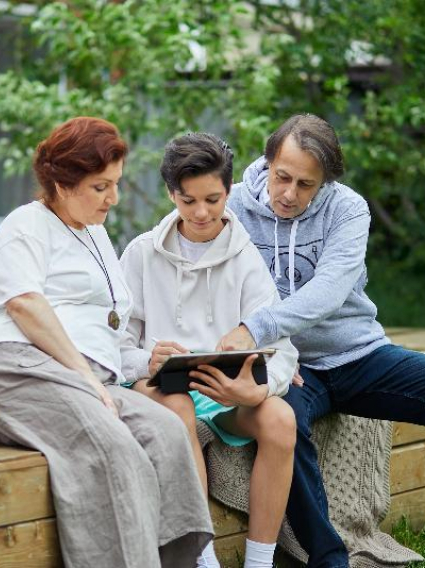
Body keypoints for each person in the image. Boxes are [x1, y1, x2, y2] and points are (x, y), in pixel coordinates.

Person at [218, 114, 425, 568]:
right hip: (287, 367)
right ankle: (329, 560)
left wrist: (256, 328)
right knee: (283, 418)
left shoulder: (348, 209)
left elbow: (328, 292)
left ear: (325, 182)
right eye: (282, 177)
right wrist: (264, 351)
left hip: (357, 355)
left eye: (306, 185)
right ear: (267, 162)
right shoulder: (230, 206)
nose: (289, 194)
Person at [0, 117, 214, 568]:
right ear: (63, 184)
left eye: (116, 184)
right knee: (112, 446)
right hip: (18, 367)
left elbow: (105, 334)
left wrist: (148, 361)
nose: (114, 198)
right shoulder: (26, 225)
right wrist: (85, 378)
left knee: (166, 433)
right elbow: (25, 305)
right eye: (101, 187)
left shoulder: (96, 235)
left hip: (89, 378)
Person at [119, 132, 299, 568]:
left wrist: (258, 391)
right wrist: (148, 360)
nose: (201, 213)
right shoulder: (142, 254)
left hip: (225, 396)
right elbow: (113, 348)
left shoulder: (245, 258)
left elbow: (283, 349)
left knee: (280, 418)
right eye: (188, 200)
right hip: (162, 389)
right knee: (178, 404)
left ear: (228, 191)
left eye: (213, 200)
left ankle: (259, 561)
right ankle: (204, 558)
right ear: (171, 194)